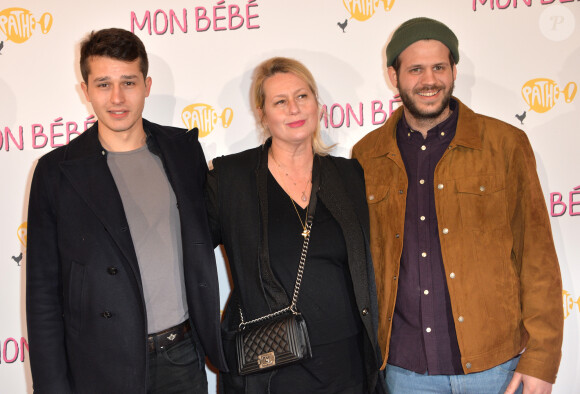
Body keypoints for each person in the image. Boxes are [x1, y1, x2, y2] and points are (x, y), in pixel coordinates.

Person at [352, 17, 563, 394]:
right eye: (415, 69)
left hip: (497, 366)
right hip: (405, 372)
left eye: (439, 67)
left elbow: (538, 259)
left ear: (453, 71)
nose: (429, 80)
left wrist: (543, 361)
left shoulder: (505, 144)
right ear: (393, 75)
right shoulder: (367, 155)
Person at [26, 28, 227, 393]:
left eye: (128, 82)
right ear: (85, 90)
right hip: (99, 366)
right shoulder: (56, 172)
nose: (117, 97)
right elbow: (42, 293)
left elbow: (206, 240)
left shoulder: (183, 150)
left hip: (182, 357)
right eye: (103, 84)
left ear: (147, 86)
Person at [205, 57, 384, 393]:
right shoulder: (231, 180)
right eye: (280, 101)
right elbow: (190, 257)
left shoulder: (349, 176)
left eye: (302, 96)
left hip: (345, 364)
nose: (294, 109)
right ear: (262, 113)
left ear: (317, 104)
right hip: (272, 366)